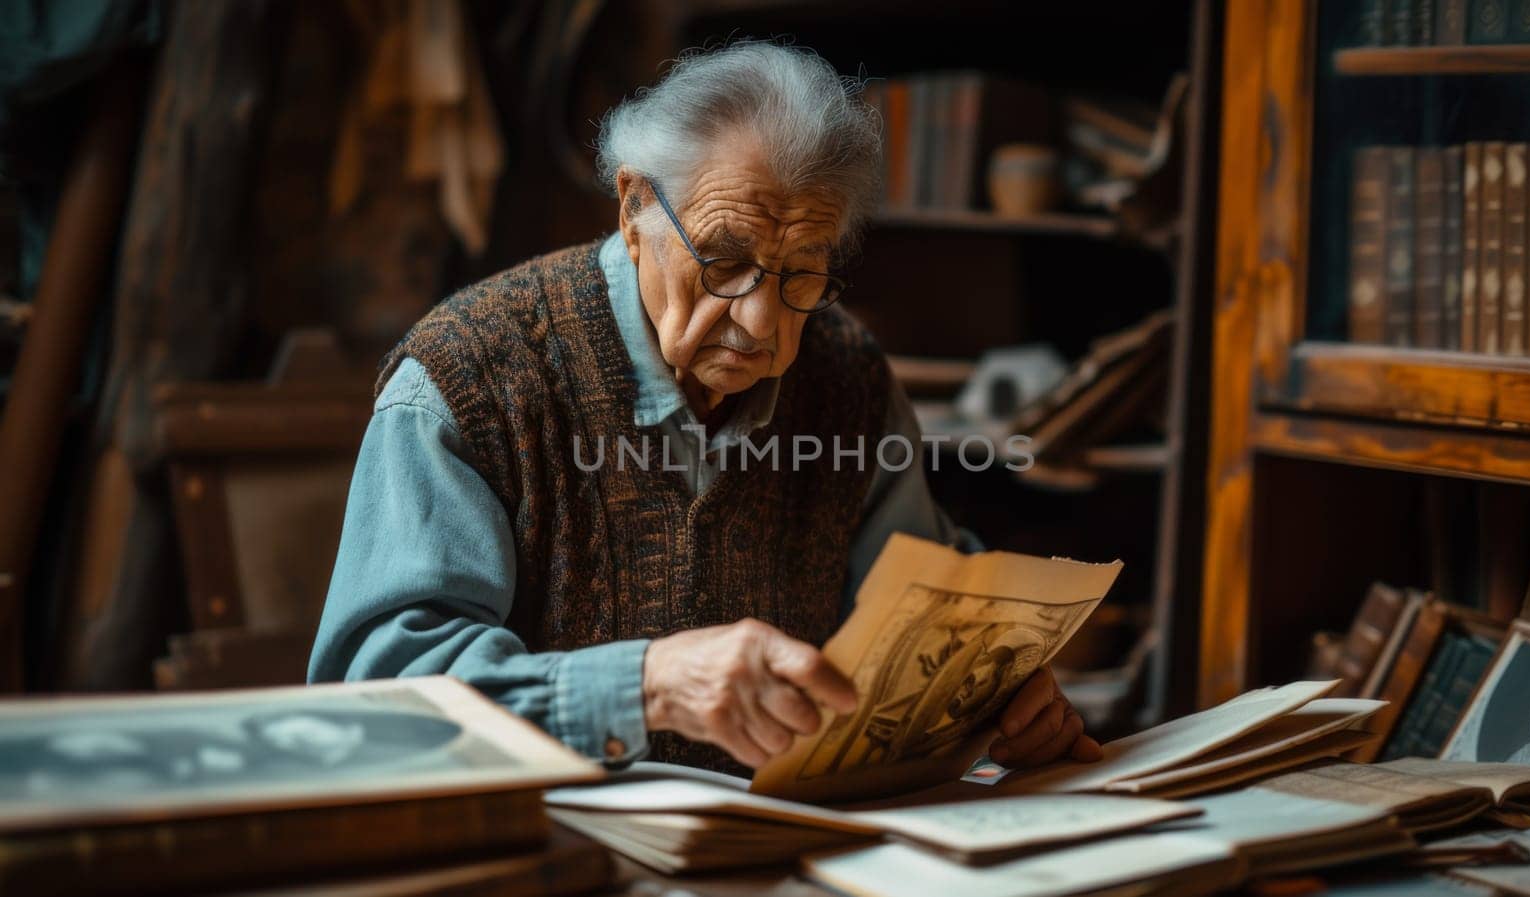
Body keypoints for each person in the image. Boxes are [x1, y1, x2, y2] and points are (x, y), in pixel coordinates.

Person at [309, 40, 1099, 776]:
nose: (761, 323)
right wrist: (647, 684)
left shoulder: (846, 378)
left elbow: (921, 617)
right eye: (724, 261)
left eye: (801, 275)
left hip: (789, 852)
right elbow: (378, 699)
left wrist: (995, 698)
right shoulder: (471, 377)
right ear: (633, 212)